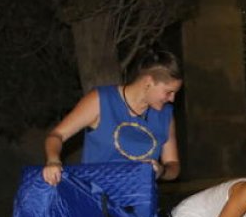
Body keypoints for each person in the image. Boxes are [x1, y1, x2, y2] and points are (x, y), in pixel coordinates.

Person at [42, 48, 183, 185]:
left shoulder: (166, 114)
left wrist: (161, 171)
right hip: (97, 196)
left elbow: (173, 165)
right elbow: (56, 135)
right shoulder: (101, 100)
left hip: (140, 198)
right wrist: (53, 161)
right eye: (169, 92)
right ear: (148, 82)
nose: (172, 99)